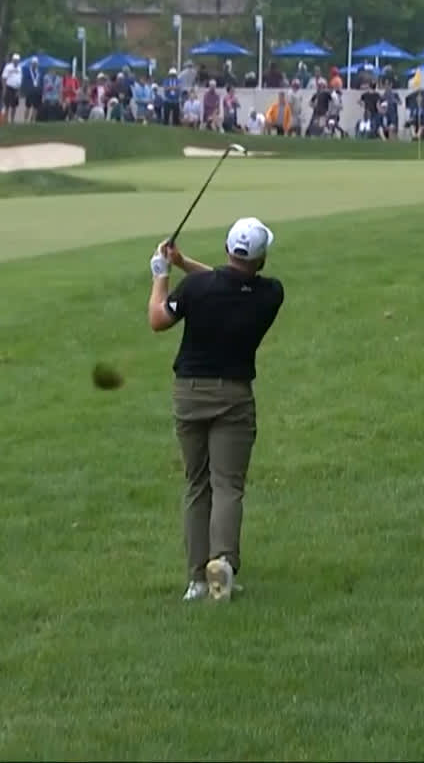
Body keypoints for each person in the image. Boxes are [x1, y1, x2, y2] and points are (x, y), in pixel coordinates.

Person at [147, 217, 286, 603]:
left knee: (197, 485)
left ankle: (196, 580)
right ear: (261, 260)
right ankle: (222, 562)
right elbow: (228, 283)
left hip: (190, 394)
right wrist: (183, 262)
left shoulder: (197, 289)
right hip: (234, 397)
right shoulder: (270, 293)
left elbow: (158, 319)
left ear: (227, 249)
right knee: (227, 485)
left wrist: (161, 274)